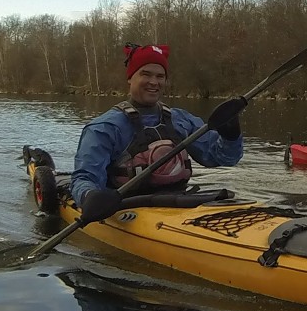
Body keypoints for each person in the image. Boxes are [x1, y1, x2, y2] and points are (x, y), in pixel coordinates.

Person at [71, 43, 247, 223]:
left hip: (178, 204)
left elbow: (222, 158)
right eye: (146, 74)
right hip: (125, 209)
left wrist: (230, 135)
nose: (154, 82)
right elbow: (84, 178)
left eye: (160, 76)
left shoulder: (180, 120)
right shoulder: (104, 128)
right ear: (130, 78)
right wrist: (89, 196)